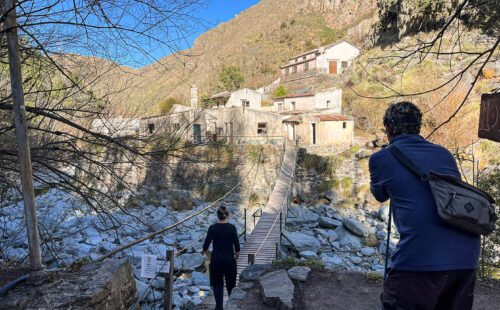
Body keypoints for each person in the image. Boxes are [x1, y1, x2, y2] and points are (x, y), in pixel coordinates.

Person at [369, 102, 480, 310]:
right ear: (418, 127)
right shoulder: (444, 154)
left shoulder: (380, 158)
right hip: (466, 256)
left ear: (388, 129)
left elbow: (379, 195)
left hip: (421, 258)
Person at [202, 206, 240, 310]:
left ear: (217, 215)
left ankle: (219, 306)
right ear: (228, 215)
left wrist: (203, 251)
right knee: (231, 285)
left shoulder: (212, 228)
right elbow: (237, 247)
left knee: (217, 285)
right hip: (229, 262)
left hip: (216, 261)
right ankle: (231, 306)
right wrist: (236, 259)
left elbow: (206, 245)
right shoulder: (232, 228)